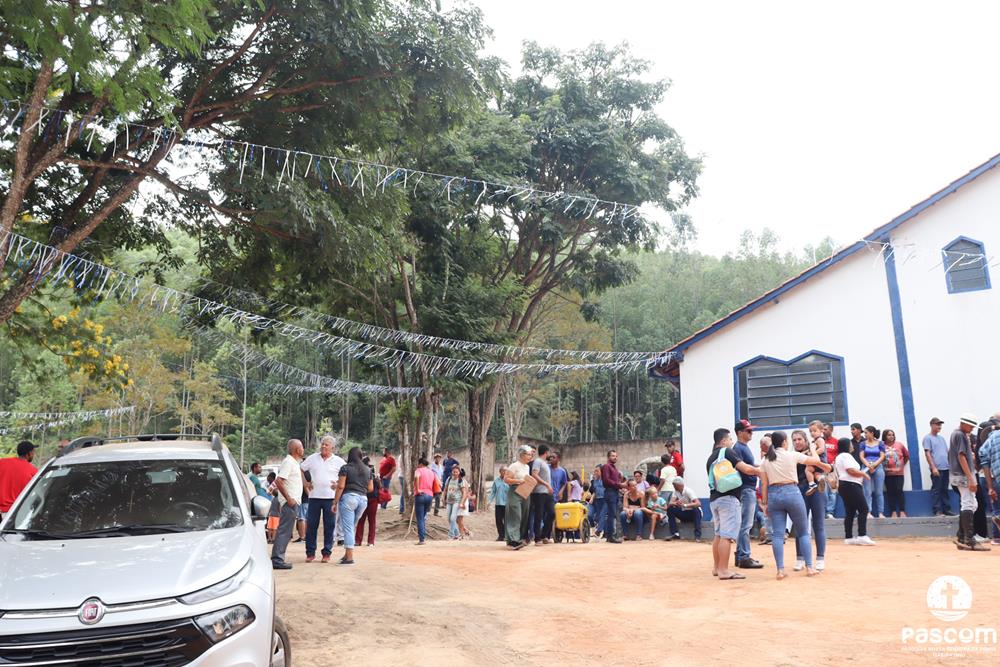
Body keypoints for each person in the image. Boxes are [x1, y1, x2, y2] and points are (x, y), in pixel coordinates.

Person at [759, 431, 829, 580]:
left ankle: (780, 570)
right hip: (792, 492)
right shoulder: (792, 455)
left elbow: (764, 484)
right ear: (785, 442)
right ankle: (810, 567)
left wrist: (764, 503)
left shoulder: (766, 460)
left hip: (774, 495)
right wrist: (812, 447)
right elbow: (816, 461)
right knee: (803, 532)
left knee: (778, 535)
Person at [706, 428, 759, 580]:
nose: (731, 442)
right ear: (723, 441)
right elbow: (746, 469)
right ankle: (724, 570)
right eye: (729, 439)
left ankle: (717, 568)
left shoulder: (710, 458)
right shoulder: (727, 452)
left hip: (714, 499)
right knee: (727, 536)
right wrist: (761, 471)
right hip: (729, 499)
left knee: (718, 534)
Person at [791, 430, 832, 572]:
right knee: (800, 526)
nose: (797, 442)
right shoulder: (792, 456)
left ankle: (820, 559)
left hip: (817, 490)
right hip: (800, 490)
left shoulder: (815, 452)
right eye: (794, 440)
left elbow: (828, 468)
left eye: (799, 439)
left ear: (805, 440)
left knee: (818, 525)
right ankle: (800, 558)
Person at [302, 436, 347, 561]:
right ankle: (310, 553)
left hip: (331, 499)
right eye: (322, 444)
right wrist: (306, 483)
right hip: (314, 497)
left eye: (326, 444)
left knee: (329, 526)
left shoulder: (339, 461)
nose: (323, 446)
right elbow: (301, 469)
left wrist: (338, 484)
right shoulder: (312, 458)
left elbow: (347, 475)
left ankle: (326, 553)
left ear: (332, 447)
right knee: (311, 525)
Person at [951, 413, 989, 551]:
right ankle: (969, 539)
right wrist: (971, 478)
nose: (972, 429)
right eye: (971, 426)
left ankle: (962, 536)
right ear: (964, 424)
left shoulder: (957, 434)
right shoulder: (960, 435)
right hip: (963, 476)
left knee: (972, 504)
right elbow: (961, 457)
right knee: (969, 503)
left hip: (960, 475)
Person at [333, 447, 373, 564]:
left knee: (348, 528)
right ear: (361, 456)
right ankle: (346, 555)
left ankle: (349, 557)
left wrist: (335, 502)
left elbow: (341, 486)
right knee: (351, 527)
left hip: (349, 498)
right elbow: (370, 488)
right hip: (363, 500)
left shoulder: (345, 468)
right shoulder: (368, 470)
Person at [732, 419, 763, 570]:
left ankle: (740, 556)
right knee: (746, 524)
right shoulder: (738, 447)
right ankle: (744, 556)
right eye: (748, 430)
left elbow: (750, 465)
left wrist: (760, 466)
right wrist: (759, 471)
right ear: (739, 433)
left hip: (747, 488)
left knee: (744, 524)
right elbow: (743, 468)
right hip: (746, 489)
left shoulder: (743, 447)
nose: (751, 433)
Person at [271, 439, 304, 570]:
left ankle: (278, 558)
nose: (303, 449)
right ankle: (277, 559)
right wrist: (289, 498)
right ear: (297, 449)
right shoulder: (289, 462)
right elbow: (279, 481)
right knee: (284, 531)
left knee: (286, 530)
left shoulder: (294, 462)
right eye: (302, 447)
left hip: (293, 502)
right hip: (289, 503)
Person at [835, 438, 874, 545]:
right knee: (863, 509)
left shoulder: (839, 456)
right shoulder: (846, 456)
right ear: (847, 445)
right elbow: (850, 470)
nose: (852, 446)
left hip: (845, 485)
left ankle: (849, 537)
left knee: (850, 511)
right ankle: (862, 535)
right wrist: (863, 474)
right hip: (851, 485)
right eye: (850, 444)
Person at [503, 446, 535, 550]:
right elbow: (506, 479)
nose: (530, 456)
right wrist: (518, 481)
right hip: (515, 491)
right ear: (522, 455)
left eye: (531, 455)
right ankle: (513, 540)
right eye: (528, 454)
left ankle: (518, 538)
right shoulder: (514, 466)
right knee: (515, 515)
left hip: (525, 492)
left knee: (524, 516)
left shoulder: (527, 467)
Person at [923, 417, 954, 516]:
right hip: (937, 468)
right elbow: (928, 453)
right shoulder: (928, 438)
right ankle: (937, 510)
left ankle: (946, 509)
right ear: (931, 425)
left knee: (944, 489)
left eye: (940, 424)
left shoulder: (942, 438)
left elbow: (947, 452)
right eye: (937, 424)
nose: (939, 426)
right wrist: (933, 467)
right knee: (937, 489)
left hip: (946, 467)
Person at [976, 418, 1000, 546]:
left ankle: (996, 538)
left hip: (995, 478)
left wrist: (990, 488)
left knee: (996, 508)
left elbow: (984, 462)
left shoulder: (988, 442)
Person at [0, 441, 38, 520]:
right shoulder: (33, 471)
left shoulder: (2, 462)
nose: (33, 455)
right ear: (29, 453)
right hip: (16, 513)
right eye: (33, 452)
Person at [530, 444, 555, 545]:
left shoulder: (545, 463)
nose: (549, 454)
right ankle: (537, 538)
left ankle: (544, 535)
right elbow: (534, 474)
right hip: (539, 492)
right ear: (546, 452)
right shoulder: (538, 461)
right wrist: (546, 484)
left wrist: (549, 487)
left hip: (547, 492)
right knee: (539, 515)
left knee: (552, 513)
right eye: (549, 452)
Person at [859, 426, 886, 518]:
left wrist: (874, 465)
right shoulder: (863, 444)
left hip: (878, 467)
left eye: (866, 433)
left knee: (879, 491)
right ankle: (868, 512)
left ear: (872, 433)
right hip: (866, 467)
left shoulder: (880, 443)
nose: (865, 435)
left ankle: (881, 512)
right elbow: (861, 456)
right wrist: (868, 465)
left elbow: (882, 456)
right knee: (867, 491)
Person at [665, 476, 703, 541]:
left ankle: (697, 536)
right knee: (670, 509)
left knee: (696, 510)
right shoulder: (675, 492)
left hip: (693, 514)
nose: (673, 487)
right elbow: (670, 503)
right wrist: (676, 503)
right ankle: (675, 533)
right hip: (684, 513)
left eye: (674, 485)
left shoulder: (688, 491)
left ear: (679, 485)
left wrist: (685, 505)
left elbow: (698, 503)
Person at [883, 429, 909, 518]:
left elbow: (906, 456)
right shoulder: (882, 446)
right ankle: (893, 511)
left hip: (899, 474)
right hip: (887, 474)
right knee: (890, 492)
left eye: (892, 435)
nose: (891, 436)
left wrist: (901, 465)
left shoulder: (899, 445)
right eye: (889, 435)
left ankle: (902, 511)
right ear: (885, 436)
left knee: (899, 490)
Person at [356, 456, 381, 549]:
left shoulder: (359, 475)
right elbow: (379, 487)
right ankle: (371, 541)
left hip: (363, 498)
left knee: (361, 520)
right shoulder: (373, 475)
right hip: (373, 500)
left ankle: (358, 541)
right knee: (372, 521)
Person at [601, 450, 625, 543]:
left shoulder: (614, 468)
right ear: (608, 457)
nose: (615, 457)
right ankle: (611, 536)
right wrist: (619, 485)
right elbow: (606, 480)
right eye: (613, 456)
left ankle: (610, 536)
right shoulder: (606, 466)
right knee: (612, 514)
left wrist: (620, 487)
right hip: (610, 492)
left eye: (616, 456)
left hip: (614, 492)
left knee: (613, 514)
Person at [413, 456, 436, 545]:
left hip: (420, 495)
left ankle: (422, 539)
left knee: (420, 518)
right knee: (423, 517)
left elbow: (417, 477)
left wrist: (418, 489)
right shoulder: (431, 472)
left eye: (418, 464)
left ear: (421, 464)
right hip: (430, 495)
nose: (417, 465)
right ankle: (423, 536)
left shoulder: (418, 470)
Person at [756, 435, 773, 545]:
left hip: (772, 490)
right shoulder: (763, 461)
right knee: (766, 514)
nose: (762, 451)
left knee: (773, 514)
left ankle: (776, 537)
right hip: (765, 489)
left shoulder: (774, 459)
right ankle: (769, 536)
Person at [443, 465, 467, 539]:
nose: (455, 473)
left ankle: (451, 535)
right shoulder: (449, 479)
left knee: (453, 518)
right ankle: (457, 534)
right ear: (451, 472)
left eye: (456, 472)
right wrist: (443, 498)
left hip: (456, 501)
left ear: (459, 472)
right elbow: (445, 489)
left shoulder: (461, 481)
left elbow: (464, 493)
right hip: (449, 501)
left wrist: (462, 503)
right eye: (454, 472)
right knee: (448, 518)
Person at [822, 423, 839, 518]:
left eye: (826, 429)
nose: (823, 431)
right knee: (822, 490)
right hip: (821, 468)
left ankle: (830, 512)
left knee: (832, 490)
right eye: (823, 429)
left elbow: (839, 455)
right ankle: (822, 511)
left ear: (831, 430)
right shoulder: (819, 441)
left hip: (832, 468)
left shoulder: (836, 441)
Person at [488, 466, 509, 541]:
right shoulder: (496, 481)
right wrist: (489, 501)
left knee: (507, 520)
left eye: (506, 471)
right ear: (500, 472)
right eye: (503, 470)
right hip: (499, 503)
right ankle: (501, 535)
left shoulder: (509, 480)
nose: (504, 472)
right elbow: (493, 492)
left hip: (507, 504)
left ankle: (506, 536)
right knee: (498, 520)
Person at [456, 469, 473, 539]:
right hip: (460, 502)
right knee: (457, 519)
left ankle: (462, 534)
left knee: (459, 519)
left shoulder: (463, 482)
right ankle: (466, 531)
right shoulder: (460, 481)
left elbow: (466, 493)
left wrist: (463, 503)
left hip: (462, 502)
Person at [589, 465, 605, 534]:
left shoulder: (605, 480)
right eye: (594, 471)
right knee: (592, 515)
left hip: (604, 500)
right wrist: (592, 497)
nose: (595, 472)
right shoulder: (594, 481)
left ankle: (599, 530)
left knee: (601, 515)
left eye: (597, 471)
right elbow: (595, 491)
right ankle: (595, 528)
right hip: (597, 500)